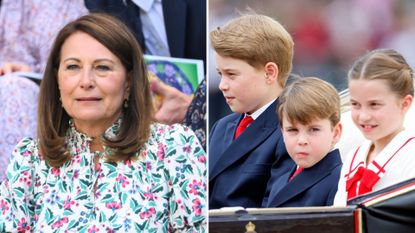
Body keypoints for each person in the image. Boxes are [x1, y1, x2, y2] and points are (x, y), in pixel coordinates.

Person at [0, 13, 206, 232]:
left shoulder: (174, 147)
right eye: (72, 67)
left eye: (102, 67)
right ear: (57, 80)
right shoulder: (29, 159)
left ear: (128, 82)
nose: (86, 81)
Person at [208, 14, 294, 209]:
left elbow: (272, 213)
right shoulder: (221, 127)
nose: (222, 85)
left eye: (232, 74)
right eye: (220, 74)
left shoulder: (290, 130)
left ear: (270, 72)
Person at [0, 0, 88, 182]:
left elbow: (75, 64)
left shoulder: (60, 6)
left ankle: (19, 196)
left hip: (42, 96)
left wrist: (33, 73)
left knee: (14, 91)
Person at [333, 49, 415, 206]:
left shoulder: (411, 157)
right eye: (355, 104)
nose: (363, 116)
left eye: (374, 105)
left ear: (405, 104)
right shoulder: (354, 157)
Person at [263, 77, 342, 207]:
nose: (302, 141)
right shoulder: (280, 178)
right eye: (292, 130)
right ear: (282, 132)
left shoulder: (341, 182)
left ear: (336, 132)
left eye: (314, 130)